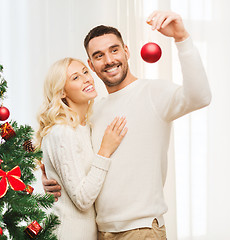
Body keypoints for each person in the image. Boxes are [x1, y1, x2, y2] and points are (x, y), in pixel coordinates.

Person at [41, 10, 212, 240]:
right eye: (99, 55)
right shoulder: (93, 111)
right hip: (100, 232)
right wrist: (52, 181)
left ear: (126, 51)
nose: (109, 60)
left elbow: (201, 96)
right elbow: (79, 165)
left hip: (140, 230)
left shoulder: (154, 93)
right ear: (91, 65)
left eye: (114, 50)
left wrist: (181, 38)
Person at [35, 57, 128, 239]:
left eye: (85, 72)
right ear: (61, 92)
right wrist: (105, 151)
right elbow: (83, 199)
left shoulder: (85, 127)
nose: (86, 79)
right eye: (75, 78)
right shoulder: (63, 132)